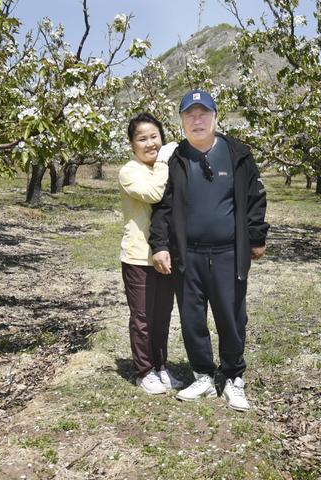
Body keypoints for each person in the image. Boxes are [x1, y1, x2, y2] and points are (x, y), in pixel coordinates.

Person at [149, 90, 269, 411]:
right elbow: (163, 206)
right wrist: (160, 245)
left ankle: (233, 377)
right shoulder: (175, 160)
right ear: (182, 122)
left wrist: (256, 237)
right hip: (188, 255)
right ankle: (202, 373)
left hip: (229, 253)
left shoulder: (237, 154)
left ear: (216, 117)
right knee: (192, 318)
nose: (197, 120)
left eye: (203, 113)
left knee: (231, 316)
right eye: (190, 114)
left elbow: (255, 198)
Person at [118, 112, 182, 395]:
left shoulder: (160, 166)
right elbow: (155, 194)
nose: (150, 143)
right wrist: (166, 161)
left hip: (165, 254)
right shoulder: (130, 171)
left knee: (162, 316)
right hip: (138, 257)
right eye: (142, 138)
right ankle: (143, 371)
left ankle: (160, 366)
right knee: (142, 317)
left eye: (154, 137)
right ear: (132, 144)